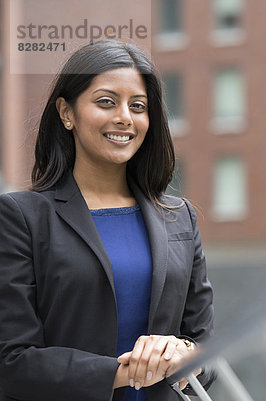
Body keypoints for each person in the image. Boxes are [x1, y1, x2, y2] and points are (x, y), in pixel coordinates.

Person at [0, 40, 215, 401]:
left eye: (138, 106)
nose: (124, 117)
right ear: (66, 112)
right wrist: (128, 372)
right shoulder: (21, 218)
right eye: (106, 102)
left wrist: (185, 357)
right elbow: (12, 361)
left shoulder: (179, 218)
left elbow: (205, 349)